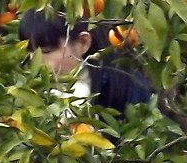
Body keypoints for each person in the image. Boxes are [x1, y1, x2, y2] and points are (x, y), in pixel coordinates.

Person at [16, 9, 152, 111]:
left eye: (46, 51)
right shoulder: (34, 93)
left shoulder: (125, 88)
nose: (35, 61)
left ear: (83, 42)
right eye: (29, 52)